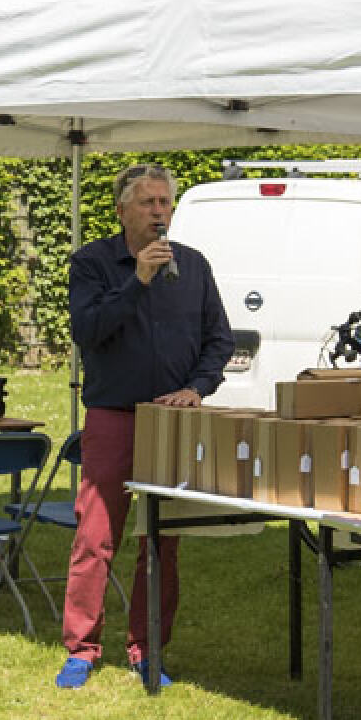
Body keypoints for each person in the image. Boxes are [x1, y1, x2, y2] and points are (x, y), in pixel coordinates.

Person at [55, 163, 233, 689]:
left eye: (164, 202)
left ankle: (147, 648)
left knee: (161, 540)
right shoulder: (92, 263)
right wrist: (137, 281)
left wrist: (197, 387)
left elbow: (219, 340)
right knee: (96, 534)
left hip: (171, 422)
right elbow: (88, 330)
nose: (159, 212)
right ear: (122, 210)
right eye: (148, 203)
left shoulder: (193, 266)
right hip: (113, 415)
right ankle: (81, 650)